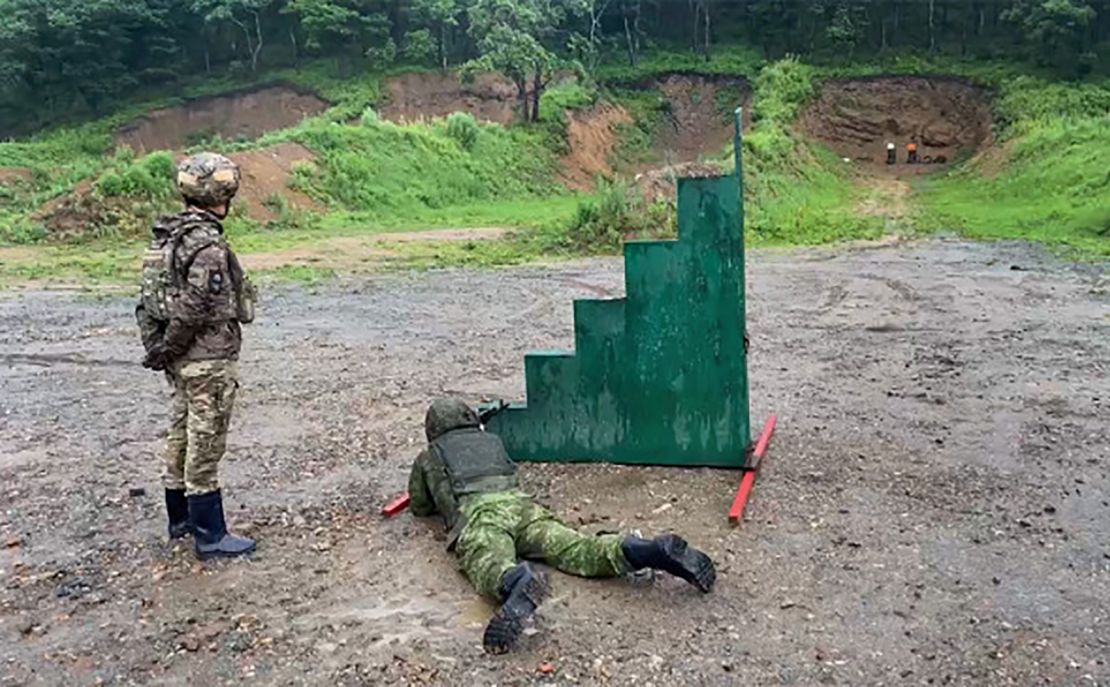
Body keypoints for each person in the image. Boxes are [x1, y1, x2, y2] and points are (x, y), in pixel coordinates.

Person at [407, 398, 717, 654]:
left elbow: (420, 506)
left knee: (488, 562)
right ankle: (643, 549)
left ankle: (516, 581)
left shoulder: (429, 456)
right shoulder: (492, 441)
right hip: (524, 507)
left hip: (481, 515)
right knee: (577, 548)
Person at [136, 152, 257, 561]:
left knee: (182, 432)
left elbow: (148, 300)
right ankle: (210, 534)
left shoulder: (167, 236)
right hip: (205, 357)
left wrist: (160, 349)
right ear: (222, 195)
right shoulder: (206, 244)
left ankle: (181, 520)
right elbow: (197, 305)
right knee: (205, 441)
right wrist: (170, 346)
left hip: (181, 359)